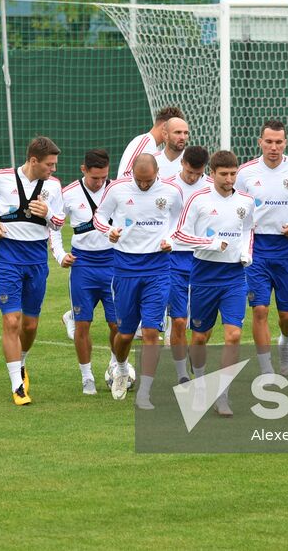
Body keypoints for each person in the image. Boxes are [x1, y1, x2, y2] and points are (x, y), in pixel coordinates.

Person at [0, 136, 65, 406]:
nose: (53, 169)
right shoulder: (2, 178)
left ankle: (21, 362)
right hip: (7, 256)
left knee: (30, 324)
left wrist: (48, 213)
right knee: (11, 321)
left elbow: (59, 223)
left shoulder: (54, 186)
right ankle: (17, 386)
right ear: (34, 161)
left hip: (37, 258)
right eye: (50, 164)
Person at [94, 153, 185, 409]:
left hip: (158, 268)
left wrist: (171, 239)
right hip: (124, 267)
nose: (144, 185)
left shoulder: (171, 191)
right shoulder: (117, 190)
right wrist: (108, 230)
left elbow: (179, 220)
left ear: (157, 173)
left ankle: (145, 391)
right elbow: (99, 216)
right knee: (123, 334)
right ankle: (121, 369)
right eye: (139, 180)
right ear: (132, 173)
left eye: (148, 181)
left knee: (150, 332)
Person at [175, 151, 254, 418]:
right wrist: (209, 243)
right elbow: (181, 234)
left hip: (233, 276)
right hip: (204, 275)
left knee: (233, 335)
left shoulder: (246, 201)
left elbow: (247, 230)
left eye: (233, 174)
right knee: (199, 337)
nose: (229, 179)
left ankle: (222, 394)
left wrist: (246, 251)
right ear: (213, 174)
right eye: (224, 174)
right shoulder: (198, 201)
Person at [239, 120, 288, 376]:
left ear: (286, 142)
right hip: (257, 248)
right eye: (268, 142)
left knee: (287, 315)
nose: (273, 147)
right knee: (259, 308)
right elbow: (236, 209)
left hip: (287, 249)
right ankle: (266, 368)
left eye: (278, 142)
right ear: (260, 142)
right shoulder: (245, 172)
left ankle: (285, 342)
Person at [55, 149, 117, 395]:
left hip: (114, 263)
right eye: (95, 178)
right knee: (83, 324)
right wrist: (60, 255)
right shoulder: (68, 194)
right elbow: (54, 228)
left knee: (117, 325)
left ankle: (116, 367)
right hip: (83, 265)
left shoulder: (117, 191)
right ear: (83, 170)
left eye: (104, 177)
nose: (100, 182)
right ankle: (87, 377)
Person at [164, 145, 211, 380]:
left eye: (198, 173)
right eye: (190, 172)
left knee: (202, 325)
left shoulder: (212, 188)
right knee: (180, 320)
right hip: (173, 258)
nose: (193, 177)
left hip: (204, 260)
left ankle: (197, 355)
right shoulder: (165, 186)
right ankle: (182, 374)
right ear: (182, 163)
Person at [117, 106, 183, 180]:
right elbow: (124, 176)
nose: (181, 137)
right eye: (177, 132)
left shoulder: (156, 147)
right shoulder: (143, 142)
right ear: (165, 126)